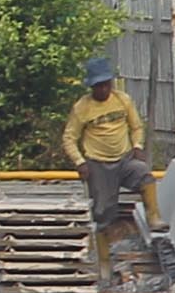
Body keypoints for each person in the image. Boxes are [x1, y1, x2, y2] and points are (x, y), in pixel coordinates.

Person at [61, 55, 152, 273]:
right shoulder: (82, 108)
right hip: (98, 163)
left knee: (144, 174)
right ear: (92, 87)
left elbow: (136, 126)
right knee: (102, 213)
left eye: (106, 85)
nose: (103, 90)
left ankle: (154, 218)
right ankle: (103, 261)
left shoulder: (122, 100)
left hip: (124, 158)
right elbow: (69, 138)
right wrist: (80, 161)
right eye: (99, 86)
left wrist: (137, 146)